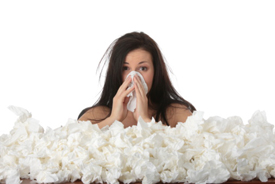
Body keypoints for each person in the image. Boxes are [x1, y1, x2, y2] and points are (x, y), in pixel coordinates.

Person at [78, 32, 196, 128]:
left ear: (156, 71)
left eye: (143, 68)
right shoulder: (95, 115)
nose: (134, 77)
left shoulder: (177, 114)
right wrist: (112, 119)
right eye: (125, 68)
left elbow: (203, 149)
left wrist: (145, 120)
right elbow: (67, 146)